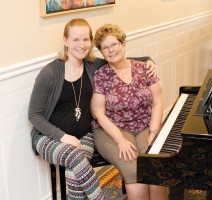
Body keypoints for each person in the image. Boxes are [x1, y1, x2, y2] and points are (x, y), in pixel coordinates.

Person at [28, 18, 156, 200]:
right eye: (75, 40)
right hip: (49, 138)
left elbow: (123, 60)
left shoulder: (93, 65)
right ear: (65, 41)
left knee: (74, 176)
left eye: (86, 39)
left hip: (84, 136)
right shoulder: (50, 73)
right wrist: (63, 137)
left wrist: (149, 61)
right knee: (76, 159)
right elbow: (34, 115)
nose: (82, 45)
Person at [91, 24, 168, 200]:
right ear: (101, 52)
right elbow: (98, 113)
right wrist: (120, 140)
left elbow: (157, 102)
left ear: (123, 44)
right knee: (134, 170)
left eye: (114, 44)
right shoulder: (101, 75)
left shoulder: (145, 69)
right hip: (111, 128)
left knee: (156, 165)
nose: (111, 50)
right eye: (105, 47)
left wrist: (154, 132)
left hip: (144, 124)